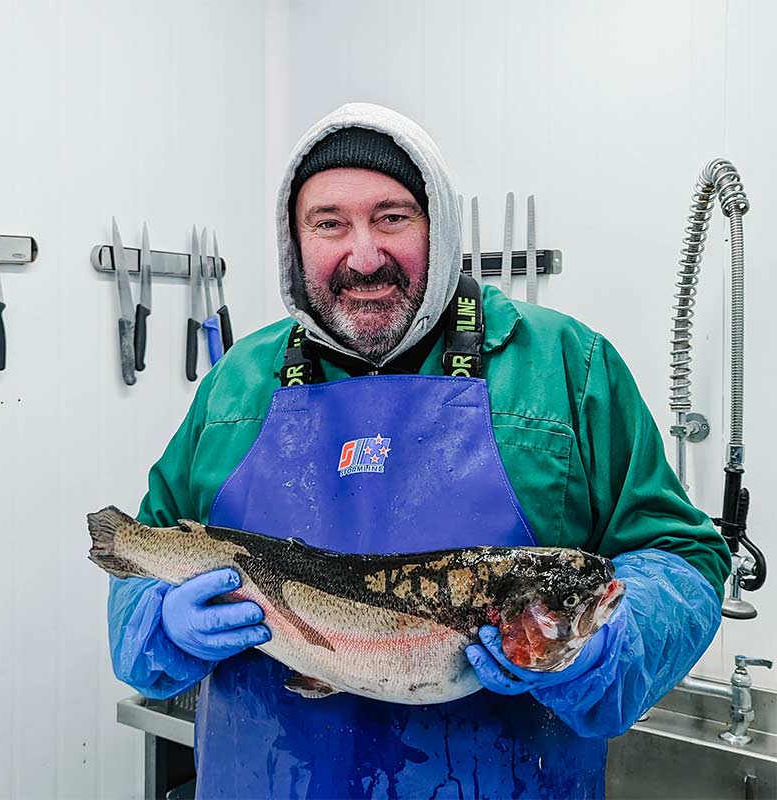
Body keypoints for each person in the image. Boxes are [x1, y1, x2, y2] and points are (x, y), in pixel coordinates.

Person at [107, 102, 730, 800]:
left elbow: (684, 555)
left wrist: (611, 651)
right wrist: (157, 626)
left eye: (393, 216)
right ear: (294, 240)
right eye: (329, 223)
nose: (363, 256)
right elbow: (139, 557)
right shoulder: (233, 386)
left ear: (440, 222)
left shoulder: (565, 367)